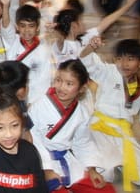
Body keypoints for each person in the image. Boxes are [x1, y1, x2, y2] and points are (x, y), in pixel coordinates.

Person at [79, 38, 140, 191]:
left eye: (130, 59)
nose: (124, 64)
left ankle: (119, 162)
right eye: (119, 58)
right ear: (115, 60)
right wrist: (90, 47)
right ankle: (110, 162)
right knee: (104, 174)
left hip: (123, 135)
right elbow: (87, 63)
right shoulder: (108, 72)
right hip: (99, 129)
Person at [29, 60, 115, 193]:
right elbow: (33, 139)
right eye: (58, 80)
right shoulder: (39, 106)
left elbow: (83, 142)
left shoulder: (82, 112)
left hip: (66, 162)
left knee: (106, 189)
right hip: (41, 162)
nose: (61, 87)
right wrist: (46, 169)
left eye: (69, 84)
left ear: (82, 88)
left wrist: (91, 169)